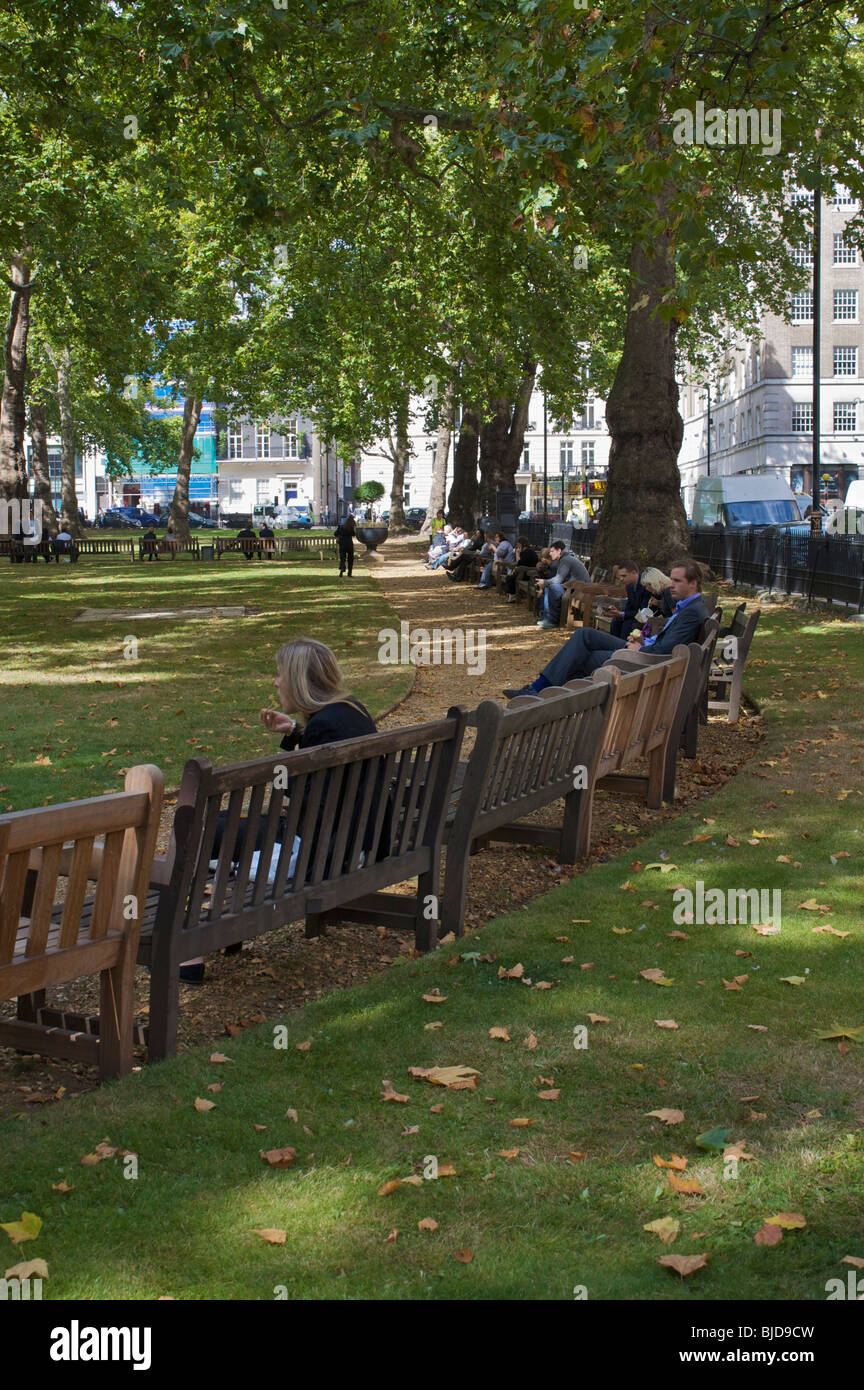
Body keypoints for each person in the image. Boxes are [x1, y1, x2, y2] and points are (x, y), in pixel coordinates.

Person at [181, 639, 379, 983]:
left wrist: (296, 748)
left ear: (300, 679)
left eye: (279, 674)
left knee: (205, 831)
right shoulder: (353, 710)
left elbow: (294, 794)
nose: (275, 682)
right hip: (357, 835)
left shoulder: (325, 725)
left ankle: (190, 951)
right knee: (228, 824)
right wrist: (294, 733)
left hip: (322, 848)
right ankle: (221, 928)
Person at [503, 561, 710, 697]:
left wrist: (638, 649)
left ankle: (541, 693)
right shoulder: (688, 607)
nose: (671, 584)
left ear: (693, 583)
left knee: (584, 655)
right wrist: (641, 641)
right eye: (671, 579)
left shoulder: (692, 612)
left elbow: (665, 652)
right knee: (584, 635)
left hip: (645, 662)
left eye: (677, 581)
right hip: (643, 650)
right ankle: (540, 691)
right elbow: (666, 642)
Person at [535, 541, 590, 628]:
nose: (550, 553)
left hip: (580, 590)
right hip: (575, 587)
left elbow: (558, 579)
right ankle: (546, 618)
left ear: (559, 551)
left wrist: (544, 582)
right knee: (550, 587)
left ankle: (553, 621)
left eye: (552, 551)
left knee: (553, 587)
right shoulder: (564, 559)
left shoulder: (566, 560)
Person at [604, 560, 650, 638]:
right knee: (616, 621)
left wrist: (622, 614)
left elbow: (643, 611)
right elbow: (630, 606)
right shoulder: (629, 586)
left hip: (646, 617)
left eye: (624, 576)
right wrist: (618, 612)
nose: (621, 579)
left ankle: (624, 647)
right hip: (635, 615)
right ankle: (614, 645)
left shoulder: (645, 585)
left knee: (628, 624)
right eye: (620, 576)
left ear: (634, 573)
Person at [504, 537, 539, 602]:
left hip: (529, 574)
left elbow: (520, 563)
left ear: (523, 544)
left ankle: (514, 597)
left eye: (519, 544)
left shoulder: (528, 552)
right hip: (523, 572)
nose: (517, 546)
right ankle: (512, 596)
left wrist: (517, 553)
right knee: (509, 577)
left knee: (511, 578)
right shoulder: (525, 552)